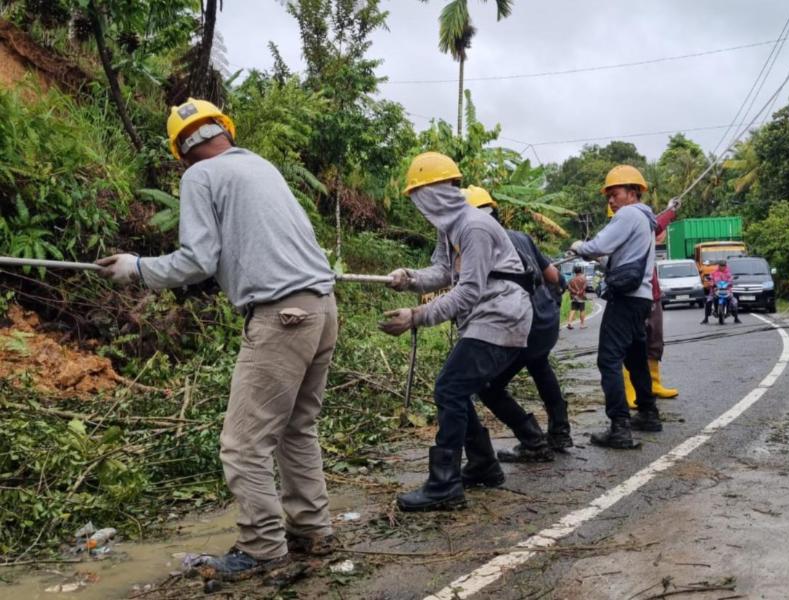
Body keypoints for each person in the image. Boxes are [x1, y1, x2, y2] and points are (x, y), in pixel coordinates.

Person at [97, 99, 338, 580]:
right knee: (296, 427)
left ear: (181, 151)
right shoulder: (260, 166)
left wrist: (137, 268)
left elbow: (197, 260)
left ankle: (263, 548)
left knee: (243, 443)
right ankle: (312, 529)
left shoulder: (199, 177)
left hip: (282, 314)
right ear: (223, 130)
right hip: (323, 307)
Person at [381, 153, 532, 511]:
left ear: (436, 192)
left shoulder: (474, 226)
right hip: (486, 316)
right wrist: (409, 278)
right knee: (457, 388)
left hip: (501, 314)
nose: (418, 205)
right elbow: (442, 271)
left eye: (419, 195)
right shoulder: (449, 228)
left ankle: (445, 484)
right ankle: (483, 464)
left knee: (449, 387)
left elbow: (468, 290)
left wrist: (416, 316)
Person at [463, 185, 572, 456]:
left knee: (487, 386)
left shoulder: (477, 246)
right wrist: (562, 291)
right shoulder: (521, 236)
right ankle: (560, 432)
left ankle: (533, 441)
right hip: (545, 321)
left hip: (518, 325)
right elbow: (553, 276)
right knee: (539, 364)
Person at [567, 165, 661, 449]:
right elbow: (617, 257)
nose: (610, 200)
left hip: (626, 298)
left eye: (615, 193)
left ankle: (619, 427)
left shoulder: (629, 214)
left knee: (608, 360)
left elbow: (599, 245)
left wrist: (578, 246)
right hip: (642, 297)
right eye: (608, 195)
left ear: (632, 193)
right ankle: (647, 413)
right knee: (634, 358)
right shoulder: (646, 220)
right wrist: (601, 260)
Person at [623, 197, 682, 407]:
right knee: (632, 344)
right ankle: (630, 390)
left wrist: (670, 210)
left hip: (653, 293)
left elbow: (657, 225)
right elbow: (656, 225)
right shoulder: (625, 225)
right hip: (632, 294)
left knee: (654, 340)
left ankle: (655, 383)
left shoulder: (644, 224)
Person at [566, 264, 587, 329]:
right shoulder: (584, 278)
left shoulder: (571, 279)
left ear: (574, 271)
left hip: (574, 297)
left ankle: (569, 323)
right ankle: (582, 324)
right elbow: (585, 287)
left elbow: (569, 288)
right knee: (582, 310)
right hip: (581, 297)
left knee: (573, 309)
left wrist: (575, 292)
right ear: (580, 271)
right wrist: (579, 292)